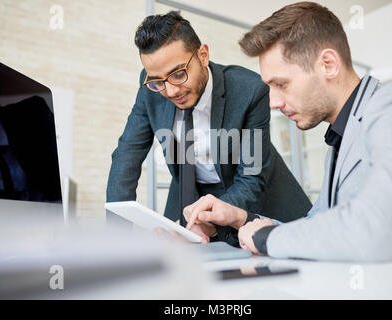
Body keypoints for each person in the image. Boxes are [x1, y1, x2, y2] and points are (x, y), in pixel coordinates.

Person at [184, 2, 392, 261]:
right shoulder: (339, 144)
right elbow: (316, 230)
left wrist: (264, 238)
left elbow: (375, 228)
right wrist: (242, 218)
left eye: (281, 84)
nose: (273, 102)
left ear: (328, 64)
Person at [106, 11, 311, 246]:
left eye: (179, 74)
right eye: (158, 81)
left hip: (259, 199)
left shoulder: (249, 90)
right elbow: (126, 158)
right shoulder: (151, 87)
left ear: (203, 55)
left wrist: (213, 221)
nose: (171, 91)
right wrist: (115, 241)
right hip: (191, 193)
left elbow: (251, 177)